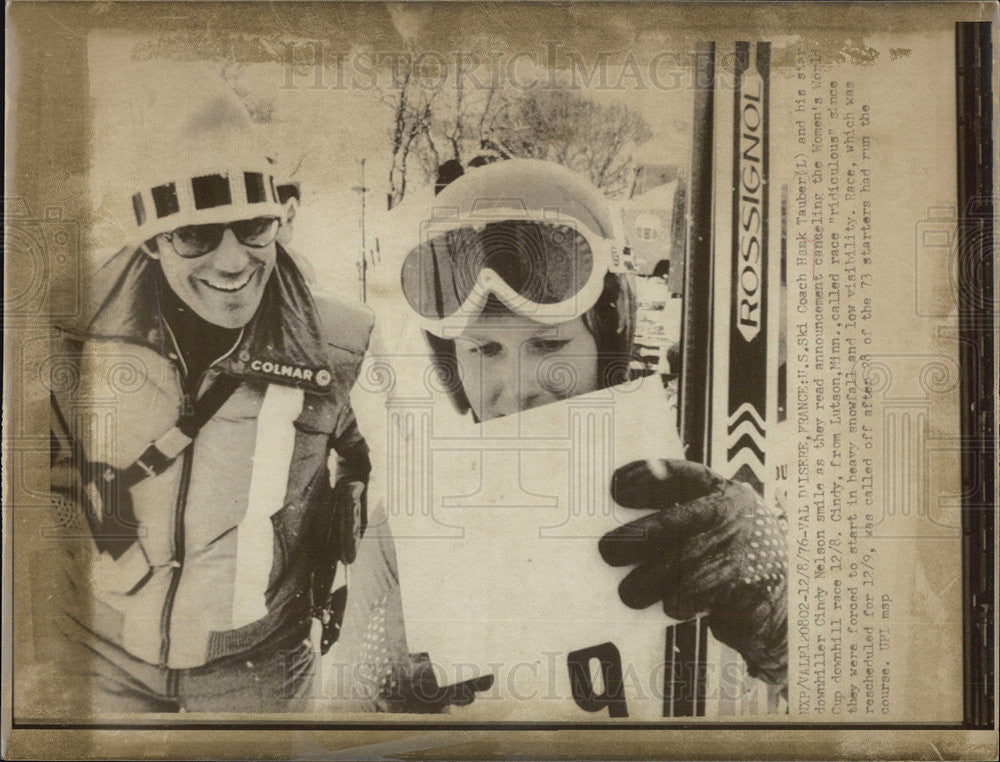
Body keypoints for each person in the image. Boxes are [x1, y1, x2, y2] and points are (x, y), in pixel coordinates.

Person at [330, 159, 787, 713]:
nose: (518, 388)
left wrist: (782, 617)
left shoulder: (703, 499)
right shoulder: (407, 531)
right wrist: (379, 685)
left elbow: (848, 716)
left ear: (608, 341)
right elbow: (338, 732)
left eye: (550, 346)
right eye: (484, 350)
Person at [44, 76, 373, 714]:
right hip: (97, 658)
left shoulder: (341, 346)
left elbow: (406, 488)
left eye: (252, 227)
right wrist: (119, 559)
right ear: (151, 238)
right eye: (195, 234)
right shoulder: (72, 326)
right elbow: (47, 470)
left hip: (258, 669)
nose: (231, 261)